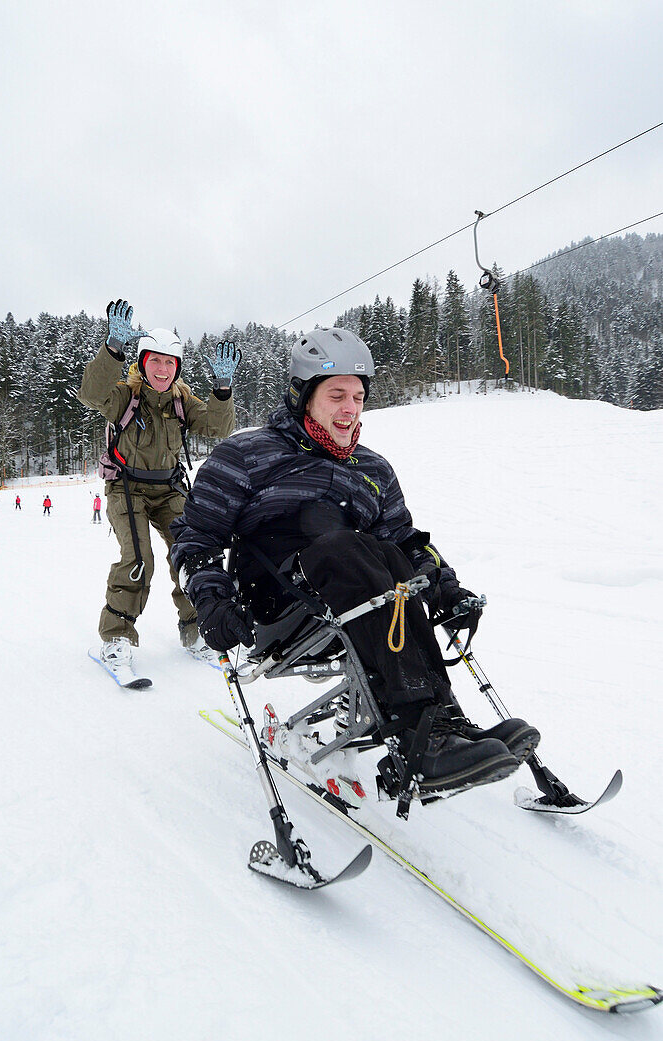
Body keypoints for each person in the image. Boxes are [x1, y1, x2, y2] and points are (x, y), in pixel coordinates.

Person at [172, 328, 537, 802]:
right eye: (337, 394)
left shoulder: (374, 469)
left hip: (355, 585)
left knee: (387, 555)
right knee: (349, 548)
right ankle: (416, 737)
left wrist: (447, 590)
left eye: (359, 397)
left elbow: (405, 541)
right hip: (272, 602)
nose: (350, 409)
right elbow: (195, 536)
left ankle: (438, 721)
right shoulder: (244, 455)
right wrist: (211, 599)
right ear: (303, 396)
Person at [77, 298, 238, 680]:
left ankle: (197, 628)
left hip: (168, 489)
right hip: (126, 488)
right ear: (142, 362)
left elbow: (219, 428)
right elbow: (90, 394)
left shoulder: (183, 402)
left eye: (170, 362)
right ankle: (116, 637)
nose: (162, 369)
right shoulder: (124, 396)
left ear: (177, 367)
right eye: (155, 360)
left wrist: (222, 390)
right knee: (138, 558)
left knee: (193, 553)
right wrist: (112, 350)